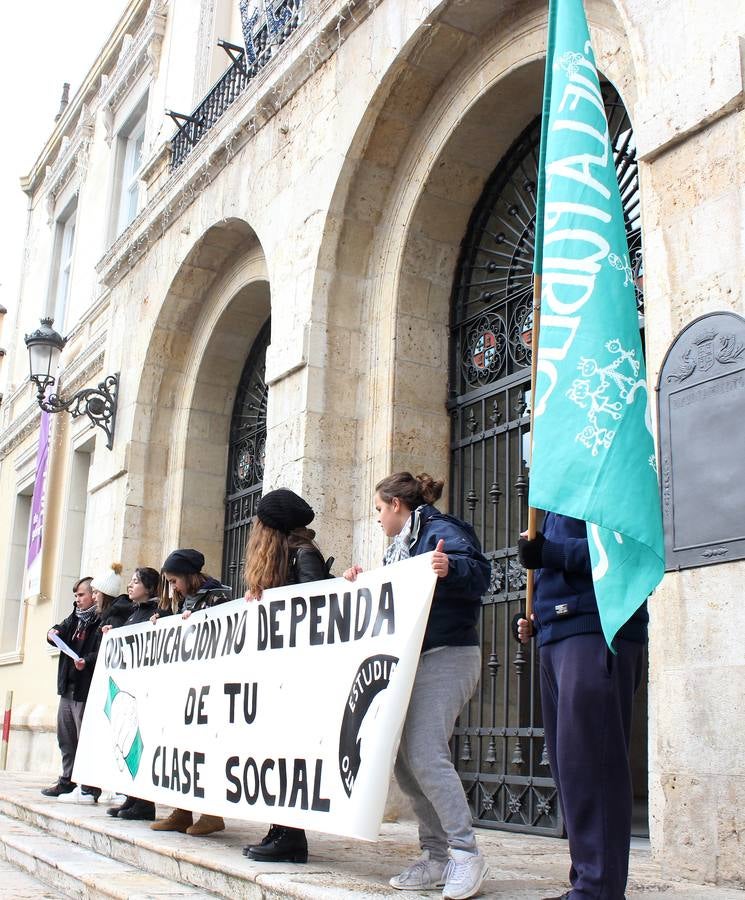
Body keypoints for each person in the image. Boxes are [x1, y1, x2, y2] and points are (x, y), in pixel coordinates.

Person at [343, 472, 491, 900]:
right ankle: (437, 856)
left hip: (447, 654)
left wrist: (452, 567)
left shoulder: (442, 532)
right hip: (414, 660)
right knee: (406, 763)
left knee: (426, 753)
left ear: (395, 505)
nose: (376, 519)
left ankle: (466, 854)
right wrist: (361, 580)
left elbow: (481, 575)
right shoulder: (398, 550)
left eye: (377, 510)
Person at [516, 513, 647, 900]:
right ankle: (589, 882)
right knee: (572, 771)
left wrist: (550, 552)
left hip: (597, 628)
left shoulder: (606, 471)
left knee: (593, 766)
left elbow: (629, 551)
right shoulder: (555, 501)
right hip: (557, 633)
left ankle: (598, 890)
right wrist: (533, 619)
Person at [241, 488, 331, 864]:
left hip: (298, 676)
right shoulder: (286, 558)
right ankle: (281, 829)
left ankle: (291, 836)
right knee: (274, 753)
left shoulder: (304, 555)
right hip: (279, 674)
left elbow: (315, 609)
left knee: (289, 753)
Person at [150, 548, 232, 837]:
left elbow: (225, 633)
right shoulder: (183, 602)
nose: (173, 587)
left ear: (188, 575)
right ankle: (181, 810)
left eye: (175, 581)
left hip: (210, 687)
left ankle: (212, 813)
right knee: (183, 749)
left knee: (207, 748)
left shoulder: (218, 597)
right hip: (186, 688)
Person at [104, 566, 161, 821]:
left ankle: (144, 803)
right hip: (130, 691)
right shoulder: (132, 613)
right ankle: (131, 798)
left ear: (149, 587)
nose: (130, 585)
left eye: (136, 582)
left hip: (145, 691)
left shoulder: (156, 613)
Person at [41, 577, 102, 800]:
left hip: (85, 688)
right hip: (68, 687)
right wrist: (52, 632)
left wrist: (86, 660)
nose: (77, 600)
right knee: (65, 736)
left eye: (81, 595)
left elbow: (101, 650)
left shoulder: (100, 619)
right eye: (75, 596)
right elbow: (59, 628)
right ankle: (67, 779)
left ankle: (89, 784)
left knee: (83, 736)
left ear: (93, 594)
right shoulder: (74, 618)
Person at [91, 561, 131, 631]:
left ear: (106, 594)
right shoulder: (107, 617)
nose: (93, 597)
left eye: (96, 592)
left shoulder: (115, 620)